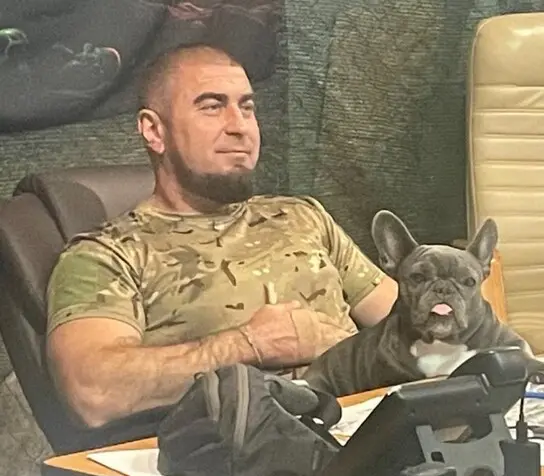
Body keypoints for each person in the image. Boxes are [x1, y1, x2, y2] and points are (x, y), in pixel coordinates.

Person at [45, 43, 398, 429]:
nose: (240, 126)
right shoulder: (108, 254)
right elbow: (93, 391)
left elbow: (410, 321)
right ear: (154, 131)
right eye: (212, 107)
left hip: (380, 427)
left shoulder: (303, 216)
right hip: (247, 445)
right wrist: (250, 344)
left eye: (247, 107)